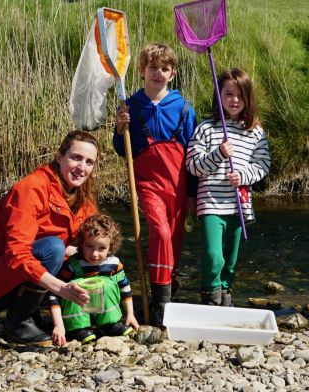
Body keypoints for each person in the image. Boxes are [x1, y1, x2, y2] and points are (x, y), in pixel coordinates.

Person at [0, 130, 99, 346]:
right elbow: (16, 255)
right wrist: (61, 288)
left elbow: (92, 239)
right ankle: (19, 320)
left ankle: (57, 317)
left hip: (34, 273)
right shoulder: (31, 188)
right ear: (59, 157)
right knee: (54, 248)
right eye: (75, 158)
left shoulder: (83, 196)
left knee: (90, 250)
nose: (82, 167)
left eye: (89, 162)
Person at [112, 43, 197, 326]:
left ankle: (165, 288)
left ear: (172, 73)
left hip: (178, 185)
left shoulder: (184, 108)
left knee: (173, 239)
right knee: (159, 232)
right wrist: (119, 128)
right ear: (142, 70)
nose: (158, 73)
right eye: (152, 68)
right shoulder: (131, 106)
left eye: (164, 68)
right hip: (147, 184)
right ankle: (161, 303)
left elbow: (193, 156)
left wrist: (193, 195)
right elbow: (122, 150)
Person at [186, 68, 270, 306]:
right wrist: (218, 154)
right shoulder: (206, 128)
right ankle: (210, 292)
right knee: (214, 255)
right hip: (211, 202)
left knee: (231, 258)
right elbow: (192, 166)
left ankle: (225, 291)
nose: (235, 100)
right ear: (219, 95)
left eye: (240, 95)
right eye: (229, 94)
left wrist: (244, 176)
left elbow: (262, 164)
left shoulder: (254, 131)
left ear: (248, 98)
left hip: (238, 204)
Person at [48, 214, 140, 346]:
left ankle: (109, 325)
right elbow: (54, 294)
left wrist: (130, 314)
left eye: (102, 248)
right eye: (89, 246)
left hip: (100, 310)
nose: (94, 254)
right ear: (81, 244)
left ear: (111, 247)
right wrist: (58, 325)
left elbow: (125, 288)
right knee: (74, 286)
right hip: (78, 315)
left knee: (108, 284)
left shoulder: (114, 264)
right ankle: (78, 329)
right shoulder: (71, 266)